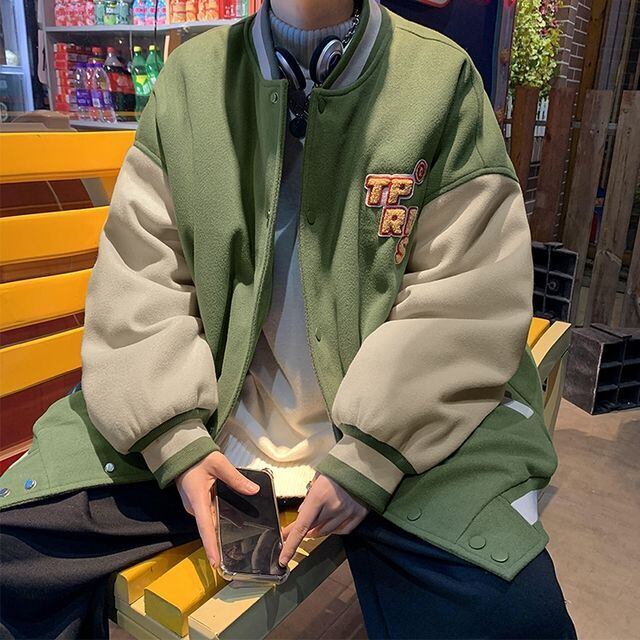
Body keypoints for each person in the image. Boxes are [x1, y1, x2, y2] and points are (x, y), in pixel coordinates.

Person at [0, 1, 577, 638]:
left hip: (406, 438)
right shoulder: (190, 82)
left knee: (514, 621)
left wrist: (374, 456)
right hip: (205, 425)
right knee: (12, 555)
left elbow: (464, 295)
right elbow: (140, 279)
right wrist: (174, 443)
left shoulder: (439, 81)